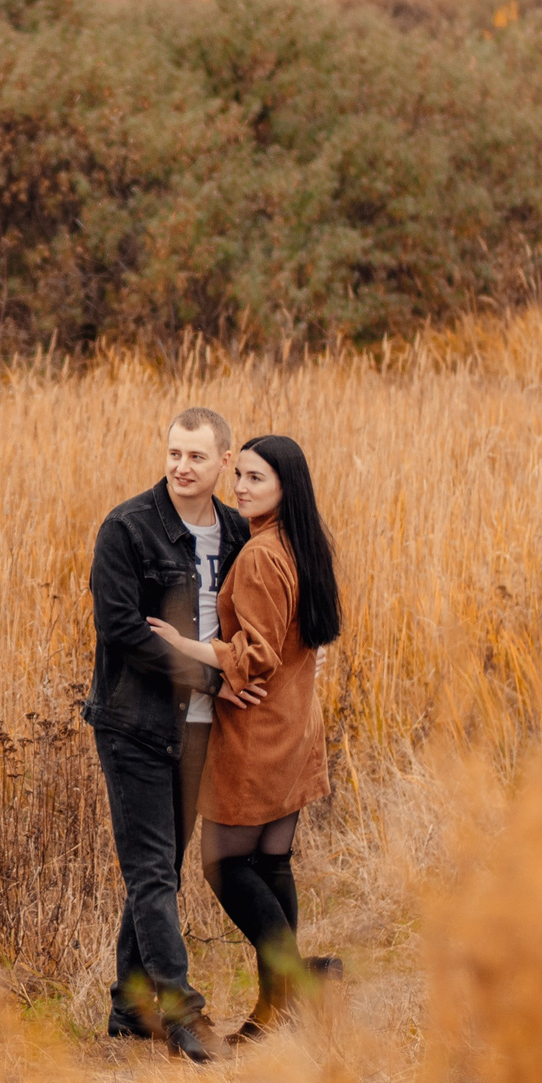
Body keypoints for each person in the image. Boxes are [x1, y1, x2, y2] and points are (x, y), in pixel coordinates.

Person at [149, 433, 343, 1041]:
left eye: (256, 479)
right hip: (296, 723)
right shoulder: (301, 544)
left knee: (222, 862)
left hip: (258, 731)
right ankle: (276, 1006)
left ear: (286, 485)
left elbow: (254, 655)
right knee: (272, 861)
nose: (241, 488)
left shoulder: (260, 556)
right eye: (241, 477)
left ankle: (297, 981)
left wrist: (186, 645)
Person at [83, 406, 251, 1065]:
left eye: (197, 457)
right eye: (174, 453)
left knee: (161, 865)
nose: (182, 466)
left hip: (205, 728)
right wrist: (213, 680)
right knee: (154, 868)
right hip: (135, 722)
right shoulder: (128, 528)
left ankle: (128, 1010)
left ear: (223, 462)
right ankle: (181, 1012)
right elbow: (124, 632)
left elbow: (265, 609)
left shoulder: (236, 530)